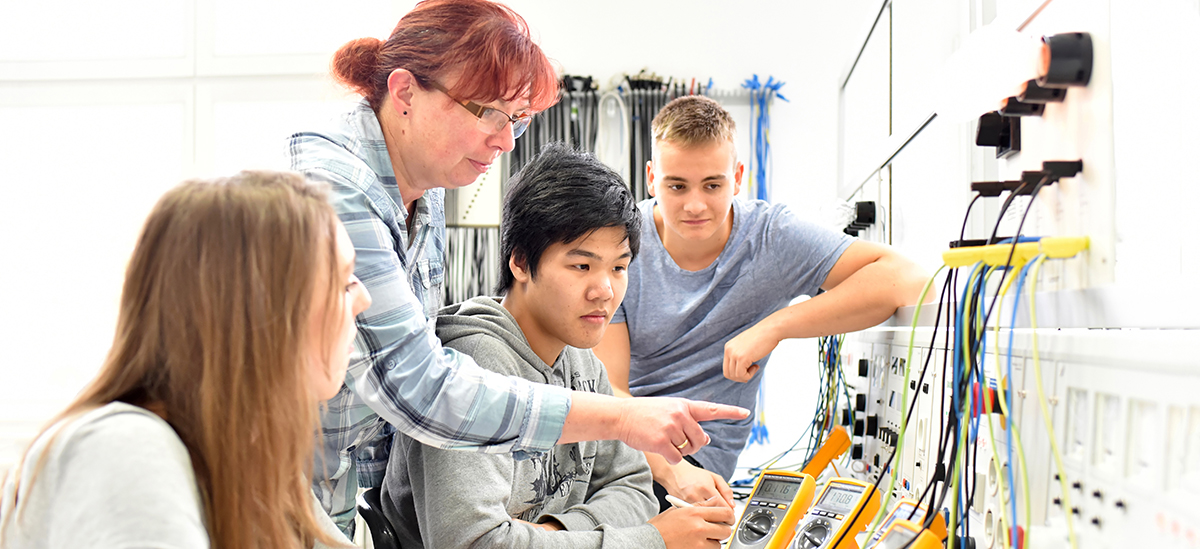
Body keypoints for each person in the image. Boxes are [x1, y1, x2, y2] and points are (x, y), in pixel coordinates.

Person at [287, 0, 746, 534]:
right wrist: (624, 423)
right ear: (405, 92)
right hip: (274, 492)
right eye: (488, 113)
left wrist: (553, 531)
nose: (505, 142)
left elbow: (629, 488)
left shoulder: (427, 189)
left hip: (338, 502)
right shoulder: (337, 188)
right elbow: (420, 390)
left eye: (519, 121)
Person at [380, 144, 735, 549]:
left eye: (618, 267)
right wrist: (651, 541)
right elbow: (475, 543)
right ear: (519, 262)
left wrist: (551, 533)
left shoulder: (582, 358)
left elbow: (634, 488)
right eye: (581, 266)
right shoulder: (472, 364)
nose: (604, 290)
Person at [594, 95, 929, 510]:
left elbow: (905, 277)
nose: (694, 204)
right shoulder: (622, 245)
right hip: (628, 447)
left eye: (712, 185)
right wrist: (671, 469)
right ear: (650, 178)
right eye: (676, 186)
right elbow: (609, 392)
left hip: (698, 464)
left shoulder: (771, 237)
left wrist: (775, 326)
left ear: (737, 177)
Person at [0, 171, 363, 549]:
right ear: (255, 312)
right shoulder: (124, 448)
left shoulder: (255, 461)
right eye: (343, 283)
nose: (363, 300)